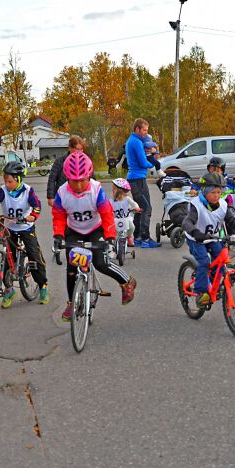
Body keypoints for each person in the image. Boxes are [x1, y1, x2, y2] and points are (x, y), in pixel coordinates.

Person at [53, 152, 137, 321]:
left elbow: (106, 214)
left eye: (82, 180)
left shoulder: (96, 190)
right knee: (71, 269)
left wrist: (110, 237)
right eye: (73, 180)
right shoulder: (62, 193)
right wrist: (58, 235)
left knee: (101, 262)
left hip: (96, 229)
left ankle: (127, 281)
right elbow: (59, 216)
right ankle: (72, 303)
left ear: (89, 176)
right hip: (74, 231)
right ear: (67, 177)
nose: (78, 184)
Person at [0, 160, 49, 307]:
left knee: (34, 255)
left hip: (25, 227)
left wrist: (32, 215)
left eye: (10, 181)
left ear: (18, 179)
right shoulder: (3, 191)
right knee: (8, 258)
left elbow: (37, 206)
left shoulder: (28, 191)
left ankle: (43, 286)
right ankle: (8, 290)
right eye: (5, 181)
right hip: (9, 227)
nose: (7, 184)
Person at [182, 173, 235, 305]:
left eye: (219, 192)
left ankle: (212, 282)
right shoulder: (196, 205)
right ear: (204, 192)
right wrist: (195, 232)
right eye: (213, 192)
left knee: (220, 261)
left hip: (213, 238)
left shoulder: (222, 205)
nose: (216, 195)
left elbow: (232, 221)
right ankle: (200, 293)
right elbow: (187, 223)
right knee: (204, 262)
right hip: (196, 239)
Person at [125, 118, 160, 248]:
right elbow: (142, 162)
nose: (146, 133)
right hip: (138, 178)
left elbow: (147, 154)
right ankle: (145, 239)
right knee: (146, 208)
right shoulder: (136, 142)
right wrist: (155, 163)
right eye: (144, 130)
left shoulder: (132, 140)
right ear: (137, 129)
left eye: (147, 130)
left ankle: (138, 237)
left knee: (139, 208)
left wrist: (152, 153)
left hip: (134, 178)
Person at [47, 135, 86, 203]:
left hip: (81, 197)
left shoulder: (86, 161)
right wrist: (50, 197)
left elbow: (92, 179)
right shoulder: (59, 161)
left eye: (81, 149)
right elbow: (52, 179)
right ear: (70, 148)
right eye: (77, 149)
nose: (79, 152)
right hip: (63, 197)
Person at [110, 178, 141, 249]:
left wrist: (136, 208)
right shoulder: (111, 201)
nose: (112, 190)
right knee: (112, 231)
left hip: (126, 219)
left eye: (114, 189)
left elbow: (134, 204)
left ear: (119, 190)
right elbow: (107, 207)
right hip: (116, 219)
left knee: (132, 227)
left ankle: (129, 236)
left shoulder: (127, 199)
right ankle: (113, 243)